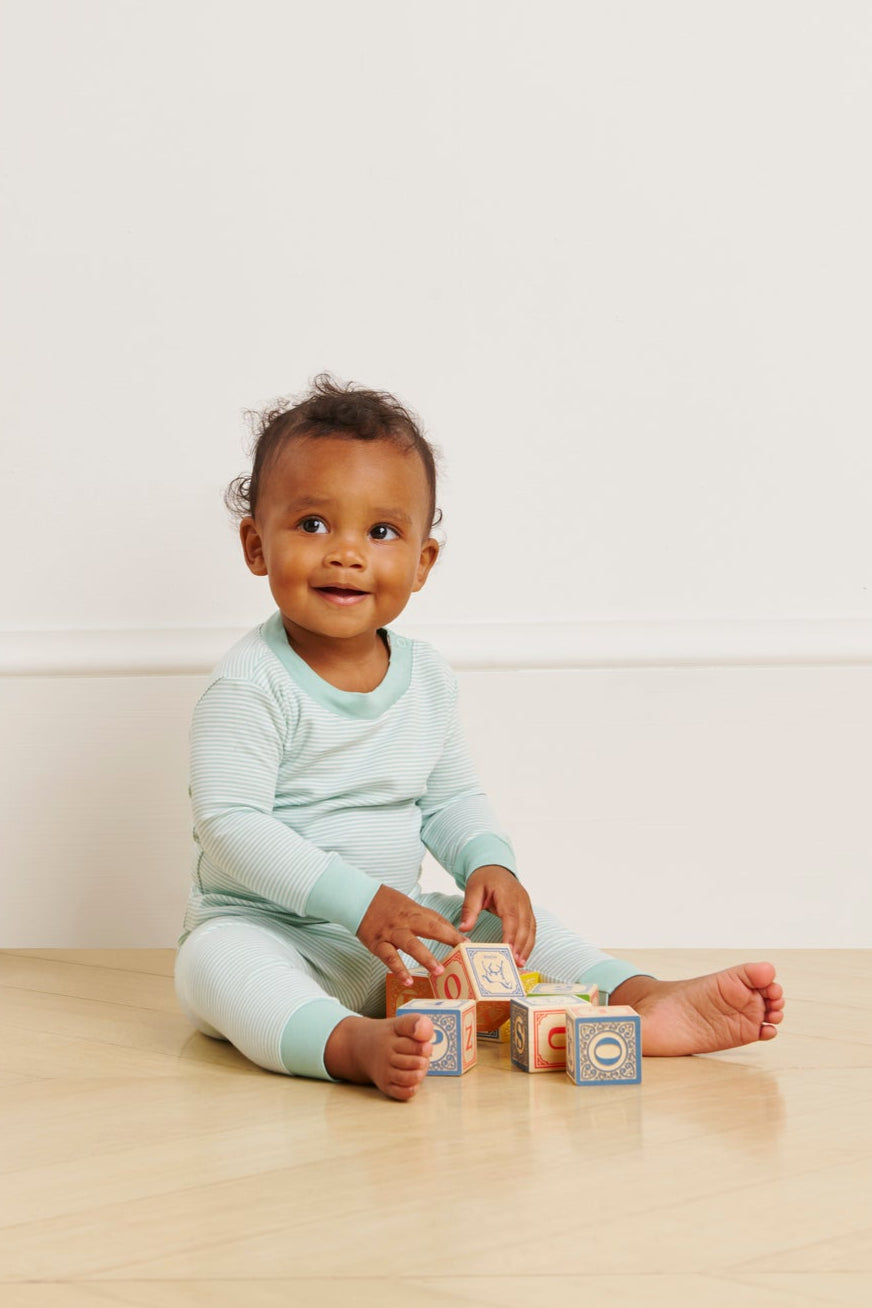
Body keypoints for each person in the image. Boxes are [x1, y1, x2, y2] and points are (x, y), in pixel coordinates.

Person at [174, 375, 785, 1100]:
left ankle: (639, 997)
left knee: (503, 925)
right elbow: (232, 825)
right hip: (278, 932)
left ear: (423, 562)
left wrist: (489, 864)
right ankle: (346, 1044)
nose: (346, 553)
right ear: (255, 545)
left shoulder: (426, 678)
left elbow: (450, 795)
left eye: (381, 531)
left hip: (399, 938)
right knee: (217, 967)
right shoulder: (252, 683)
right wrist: (359, 902)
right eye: (312, 525)